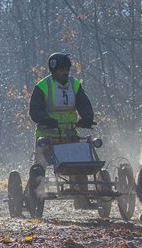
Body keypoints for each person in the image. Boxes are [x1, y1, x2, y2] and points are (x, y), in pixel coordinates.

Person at [28, 52, 95, 209]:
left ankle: (82, 199)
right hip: (47, 135)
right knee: (40, 166)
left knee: (81, 163)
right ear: (53, 71)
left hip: (69, 134)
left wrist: (87, 118)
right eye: (61, 70)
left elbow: (84, 104)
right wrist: (45, 118)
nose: (65, 72)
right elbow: (35, 110)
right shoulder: (43, 86)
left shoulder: (75, 85)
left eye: (67, 69)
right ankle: (36, 198)